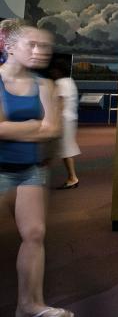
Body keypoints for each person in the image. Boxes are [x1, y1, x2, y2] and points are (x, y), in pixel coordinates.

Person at [0, 20, 70, 317]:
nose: (41, 51)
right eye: (33, 44)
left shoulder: (45, 85)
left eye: (45, 46)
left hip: (30, 167)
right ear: (10, 47)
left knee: (35, 233)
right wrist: (33, 126)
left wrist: (20, 128)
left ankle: (29, 304)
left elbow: (52, 129)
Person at [49, 61, 81, 189]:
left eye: (54, 70)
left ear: (58, 71)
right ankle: (72, 177)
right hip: (71, 119)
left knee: (64, 149)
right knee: (65, 149)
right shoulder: (70, 82)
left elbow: (60, 103)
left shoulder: (61, 83)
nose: (52, 72)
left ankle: (72, 177)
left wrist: (54, 122)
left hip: (63, 120)